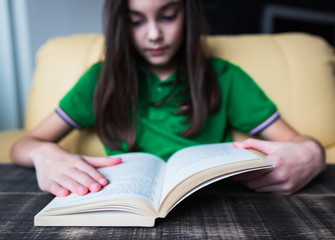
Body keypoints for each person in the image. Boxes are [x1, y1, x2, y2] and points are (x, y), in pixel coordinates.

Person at [11, 0, 325, 197]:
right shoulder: (100, 79)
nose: (154, 35)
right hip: (122, 204)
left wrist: (312, 155)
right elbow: (24, 144)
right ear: (121, 24)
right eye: (136, 20)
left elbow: (296, 141)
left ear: (187, 14)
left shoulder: (226, 76)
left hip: (213, 205)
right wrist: (44, 154)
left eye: (168, 15)